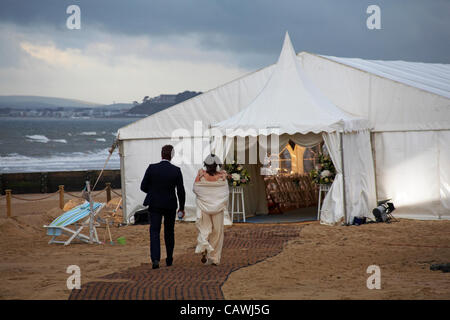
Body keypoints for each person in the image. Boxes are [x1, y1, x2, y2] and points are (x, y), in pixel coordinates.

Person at [140, 145, 185, 269]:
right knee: (169, 232)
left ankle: (155, 259)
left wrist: (153, 192)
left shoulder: (152, 168)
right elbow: (181, 191)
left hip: (154, 203)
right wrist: (182, 207)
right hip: (170, 204)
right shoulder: (176, 170)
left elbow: (143, 186)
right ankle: (169, 258)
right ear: (172, 155)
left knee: (154, 231)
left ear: (161, 154)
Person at [193, 154, 229, 266]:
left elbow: (195, 189)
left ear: (206, 165)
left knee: (205, 229)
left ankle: (204, 246)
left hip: (204, 207)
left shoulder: (201, 176)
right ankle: (214, 258)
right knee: (217, 232)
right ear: (217, 165)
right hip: (217, 208)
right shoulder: (222, 177)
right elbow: (225, 193)